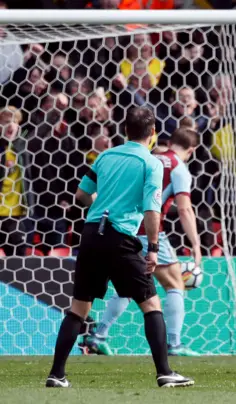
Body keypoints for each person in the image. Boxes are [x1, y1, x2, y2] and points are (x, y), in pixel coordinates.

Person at [45, 107, 193, 388]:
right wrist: (151, 248)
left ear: (125, 131)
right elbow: (152, 210)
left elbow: (80, 195)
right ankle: (165, 372)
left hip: (90, 234)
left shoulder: (104, 156)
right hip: (121, 237)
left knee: (78, 309)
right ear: (152, 134)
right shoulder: (151, 163)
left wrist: (101, 208)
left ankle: (56, 375)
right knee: (151, 304)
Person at [83, 128, 202, 357]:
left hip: (121, 228)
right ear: (191, 150)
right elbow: (185, 209)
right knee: (175, 285)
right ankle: (174, 344)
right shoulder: (178, 167)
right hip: (150, 230)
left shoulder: (147, 156)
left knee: (126, 287)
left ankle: (98, 336)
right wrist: (196, 246)